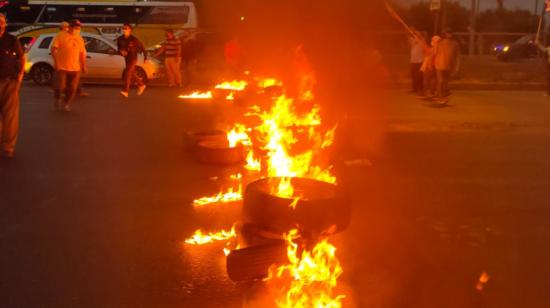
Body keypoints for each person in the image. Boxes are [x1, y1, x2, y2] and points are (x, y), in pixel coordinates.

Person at [0, 13, 25, 159]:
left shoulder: (11, 39)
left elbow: (21, 57)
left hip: (10, 82)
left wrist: (20, 76)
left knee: (10, 117)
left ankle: (8, 147)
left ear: (5, 24)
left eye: (1, 22)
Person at [51, 19, 87, 112]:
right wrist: (56, 62)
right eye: (76, 27)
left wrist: (83, 66)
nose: (78, 29)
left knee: (72, 88)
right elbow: (53, 49)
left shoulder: (80, 39)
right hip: (62, 67)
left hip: (75, 69)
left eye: (79, 27)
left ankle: (66, 104)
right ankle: (58, 98)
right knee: (61, 86)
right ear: (70, 27)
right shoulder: (61, 35)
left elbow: (82, 53)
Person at [117, 23, 146, 98]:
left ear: (130, 30)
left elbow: (141, 48)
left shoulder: (134, 39)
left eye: (126, 28)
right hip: (126, 58)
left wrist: (145, 57)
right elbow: (119, 49)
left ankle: (125, 91)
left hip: (133, 58)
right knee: (131, 72)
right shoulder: (120, 39)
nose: (124, 30)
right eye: (123, 28)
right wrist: (121, 52)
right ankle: (141, 85)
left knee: (127, 72)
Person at [434, 30, 460, 104]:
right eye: (447, 33)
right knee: (440, 81)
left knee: (445, 82)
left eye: (450, 33)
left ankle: (443, 96)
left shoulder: (455, 44)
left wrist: (457, 66)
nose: (449, 35)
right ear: (444, 34)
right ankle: (439, 97)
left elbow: (457, 56)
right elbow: (435, 53)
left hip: (448, 65)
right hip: (439, 64)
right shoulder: (439, 43)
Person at [409, 30, 425, 94]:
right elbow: (411, 41)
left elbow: (421, 40)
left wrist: (417, 36)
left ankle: (420, 89)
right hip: (413, 60)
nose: (417, 34)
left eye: (418, 33)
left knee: (420, 76)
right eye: (416, 33)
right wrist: (412, 33)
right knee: (414, 76)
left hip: (420, 61)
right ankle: (414, 89)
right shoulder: (412, 39)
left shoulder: (422, 40)